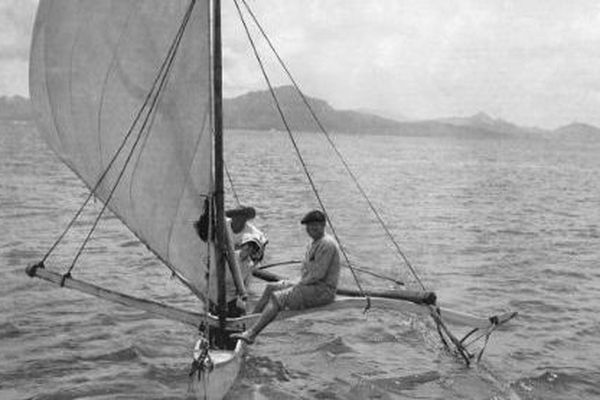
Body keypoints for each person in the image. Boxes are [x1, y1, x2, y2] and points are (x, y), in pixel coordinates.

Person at [231, 209, 340, 344]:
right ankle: (250, 322)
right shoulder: (313, 243)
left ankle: (251, 334)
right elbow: (307, 274)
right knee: (271, 287)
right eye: (309, 226)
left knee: (278, 298)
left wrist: (296, 286)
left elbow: (318, 275)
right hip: (310, 286)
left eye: (316, 225)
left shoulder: (327, 244)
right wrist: (289, 283)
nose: (312, 229)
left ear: (324, 225)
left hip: (322, 291)